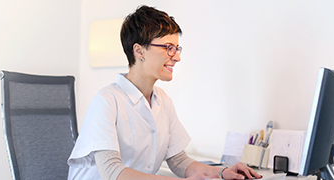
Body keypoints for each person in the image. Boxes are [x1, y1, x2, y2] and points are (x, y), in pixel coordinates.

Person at [68, 5, 262, 180]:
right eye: (168, 48)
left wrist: (221, 172)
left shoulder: (162, 100)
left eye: (177, 48)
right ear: (139, 51)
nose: (176, 57)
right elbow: (111, 171)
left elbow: (178, 161)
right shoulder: (107, 100)